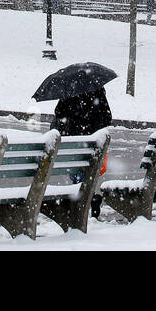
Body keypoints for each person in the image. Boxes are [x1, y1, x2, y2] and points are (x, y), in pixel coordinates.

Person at [51, 87, 112, 219]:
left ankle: (83, 197)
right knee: (89, 170)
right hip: (94, 143)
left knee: (77, 171)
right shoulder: (98, 91)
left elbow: (59, 113)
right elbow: (107, 118)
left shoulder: (69, 91)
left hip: (74, 143)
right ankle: (89, 197)